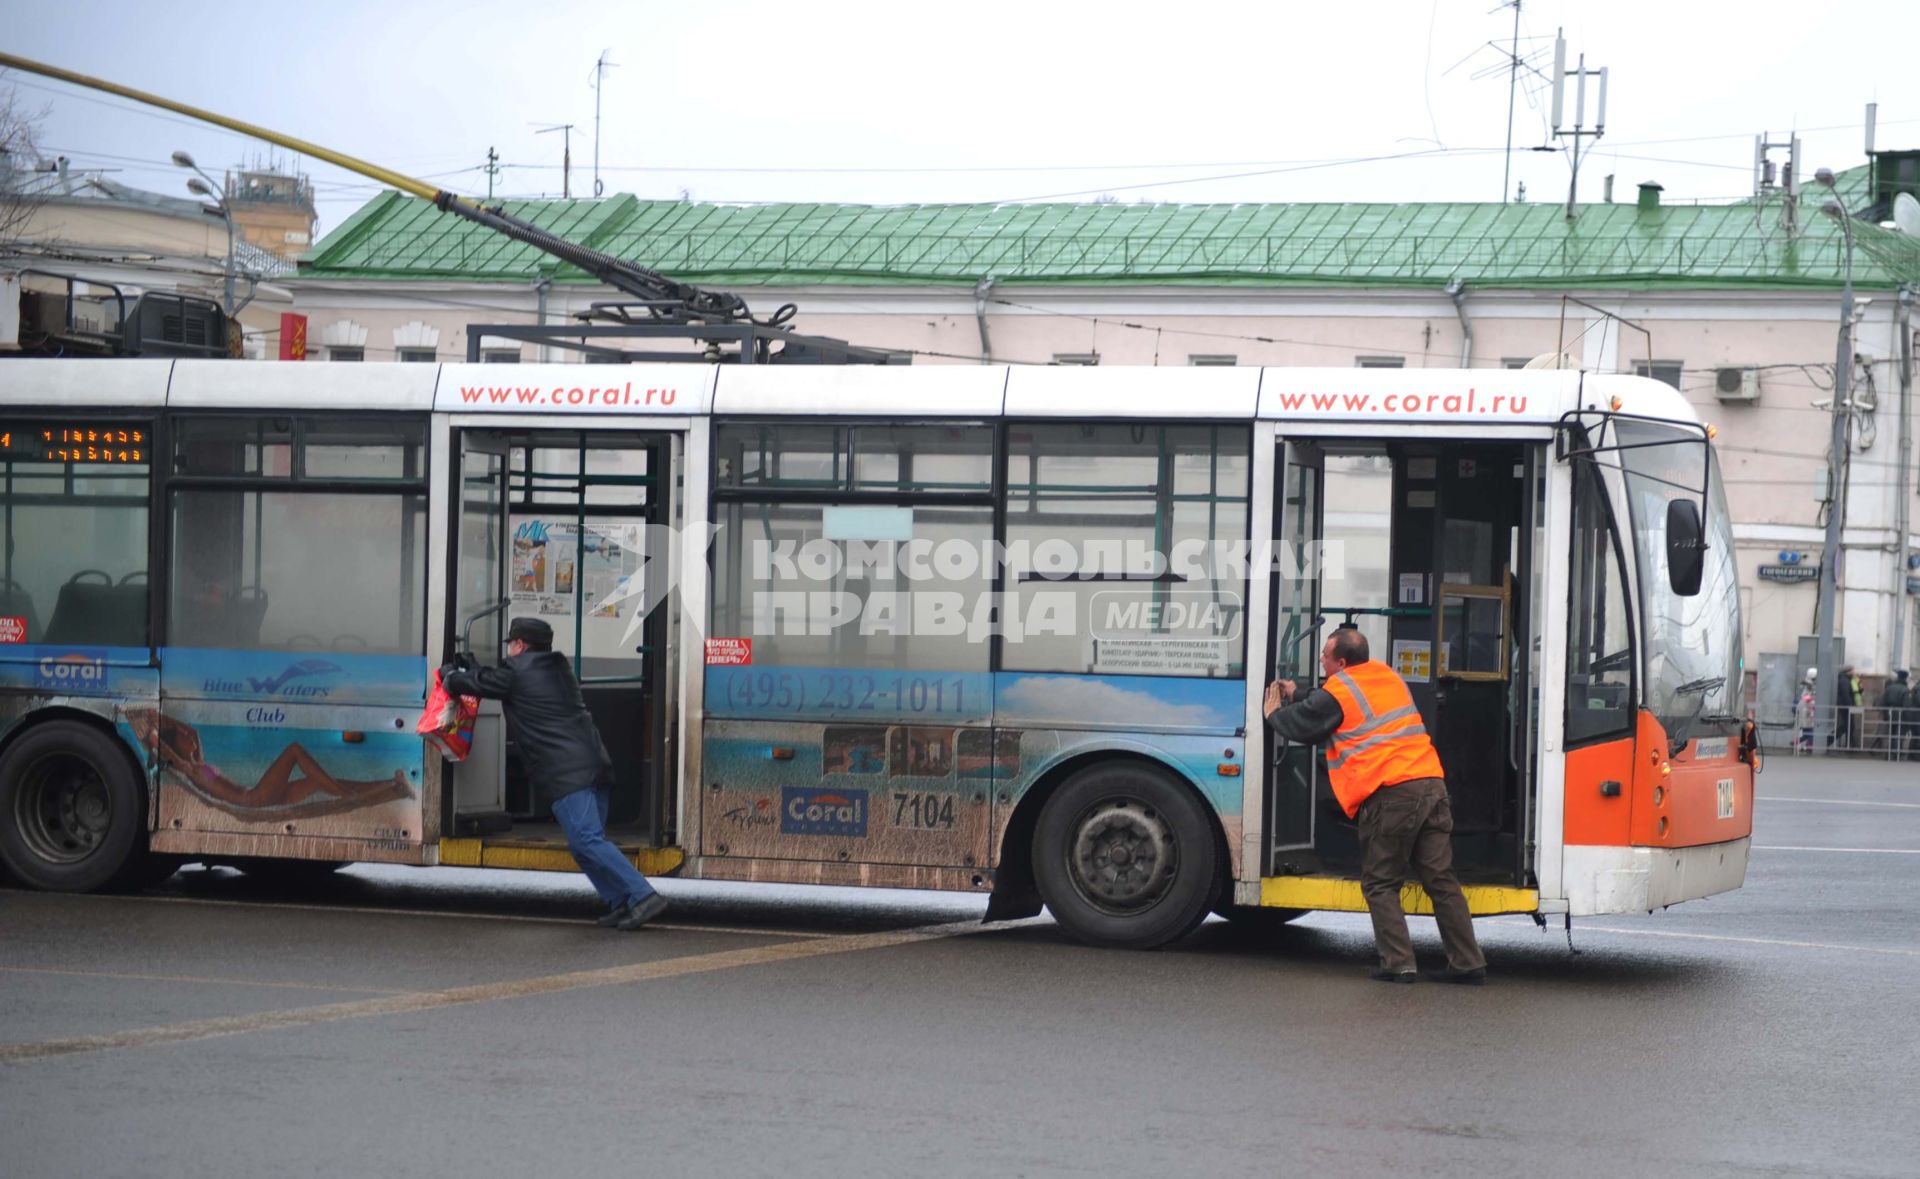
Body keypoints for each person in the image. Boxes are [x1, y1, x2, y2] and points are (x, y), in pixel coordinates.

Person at [1263, 627, 1487, 985]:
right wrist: (1299, 692)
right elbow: (1330, 702)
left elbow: (1305, 723)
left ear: (1340, 661)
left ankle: (1398, 964)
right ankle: (1468, 962)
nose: (1320, 659)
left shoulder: (1339, 689)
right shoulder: (1386, 676)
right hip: (1431, 785)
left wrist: (1274, 713)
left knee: (1381, 883)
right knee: (1442, 881)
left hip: (1391, 794)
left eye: (1324, 655)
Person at [442, 617, 667, 931]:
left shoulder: (518, 672)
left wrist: (452, 678)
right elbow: (496, 679)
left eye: (511, 644)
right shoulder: (557, 668)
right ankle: (620, 900)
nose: (510, 650)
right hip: (594, 764)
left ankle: (643, 895)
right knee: (585, 843)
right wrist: (476, 668)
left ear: (520, 644)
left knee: (587, 841)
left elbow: (481, 684)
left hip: (568, 773)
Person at [123, 707, 411, 818]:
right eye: (184, 738)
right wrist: (153, 721)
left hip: (260, 794)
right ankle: (350, 796)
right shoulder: (187, 767)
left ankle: (389, 785)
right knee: (295, 750)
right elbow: (157, 738)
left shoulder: (197, 760)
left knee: (317, 782)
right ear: (176, 747)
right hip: (254, 798)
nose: (192, 738)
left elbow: (193, 731)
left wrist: (165, 717)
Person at [1881, 669, 1912, 760]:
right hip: (1901, 715)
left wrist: (1885, 714)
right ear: (1905, 678)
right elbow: (1906, 705)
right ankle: (1895, 754)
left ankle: (1889, 754)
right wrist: (1908, 719)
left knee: (1891, 734)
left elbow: (1883, 701)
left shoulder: (1889, 688)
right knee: (1899, 735)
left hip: (1890, 713)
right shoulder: (1905, 689)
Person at [1833, 664, 1863, 751]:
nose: (1854, 672)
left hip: (1846, 705)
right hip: (1845, 706)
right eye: (1853, 670)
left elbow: (1853, 692)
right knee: (1848, 726)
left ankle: (1850, 744)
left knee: (1849, 726)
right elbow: (1845, 694)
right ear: (1848, 671)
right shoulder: (1844, 681)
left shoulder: (1849, 680)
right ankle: (1830, 739)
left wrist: (1860, 689)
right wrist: (1850, 705)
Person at [1796, 671, 1818, 756]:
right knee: (1809, 730)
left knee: (1807, 730)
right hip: (1806, 709)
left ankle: (1802, 744)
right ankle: (1802, 744)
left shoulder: (1807, 685)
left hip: (1806, 709)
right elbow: (1807, 698)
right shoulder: (1808, 686)